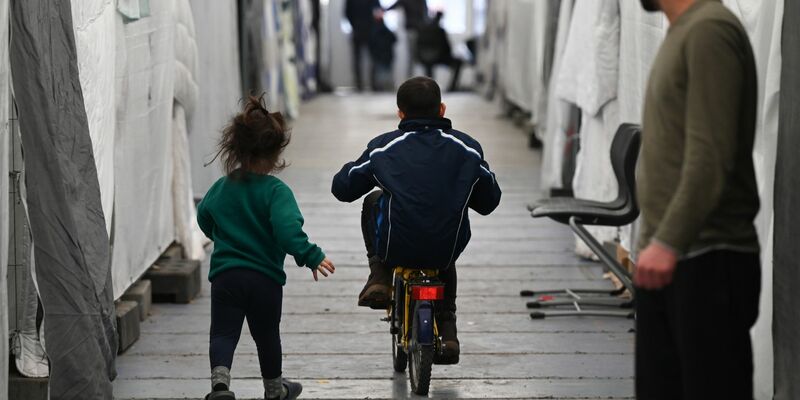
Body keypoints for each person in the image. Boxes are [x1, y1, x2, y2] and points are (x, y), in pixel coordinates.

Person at [633, 0, 760, 399]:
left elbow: (710, 154)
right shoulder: (686, 29)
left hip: (707, 258)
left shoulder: (709, 31)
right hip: (679, 258)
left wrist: (668, 241)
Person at [331, 77, 502, 363]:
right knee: (447, 226)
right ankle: (447, 327)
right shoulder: (468, 149)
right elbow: (489, 201)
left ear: (400, 114)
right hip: (445, 247)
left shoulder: (383, 148)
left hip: (395, 245)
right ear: (442, 110)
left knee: (373, 200)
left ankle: (379, 273)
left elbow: (343, 188)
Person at [197, 95, 336, 400]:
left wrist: (224, 236)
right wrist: (311, 255)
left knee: (223, 332)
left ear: (237, 149)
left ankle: (220, 386)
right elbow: (287, 232)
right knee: (266, 335)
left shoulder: (222, 187)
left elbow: (203, 217)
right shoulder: (276, 191)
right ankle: (275, 389)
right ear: (276, 154)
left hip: (226, 276)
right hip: (264, 279)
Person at [416, 11, 463, 92]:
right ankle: (452, 88)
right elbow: (447, 47)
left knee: (429, 65)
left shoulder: (422, 29)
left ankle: (429, 89)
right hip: (438, 57)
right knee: (458, 62)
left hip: (423, 58)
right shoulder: (440, 30)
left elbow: (417, 46)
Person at [345, 0, 383, 91]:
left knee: (367, 58)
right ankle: (368, 84)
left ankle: (362, 84)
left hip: (365, 30)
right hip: (366, 29)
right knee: (365, 58)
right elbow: (378, 11)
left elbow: (347, 13)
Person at [385, 0, 429, 77]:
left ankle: (415, 80)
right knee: (417, 56)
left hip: (416, 30)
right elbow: (426, 14)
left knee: (415, 56)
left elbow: (426, 13)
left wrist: (383, 10)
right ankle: (413, 80)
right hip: (418, 30)